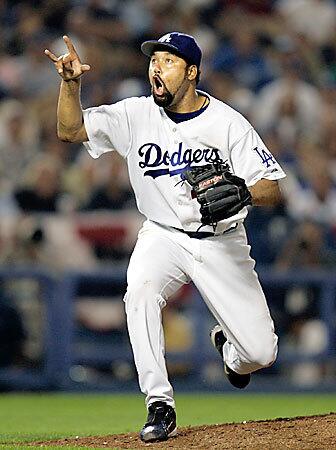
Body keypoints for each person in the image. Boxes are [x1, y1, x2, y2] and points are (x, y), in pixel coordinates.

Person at [45, 32, 286, 443]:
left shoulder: (226, 122)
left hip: (221, 241)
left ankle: (228, 349)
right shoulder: (136, 114)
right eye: (154, 59)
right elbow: (70, 130)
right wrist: (70, 85)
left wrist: (244, 191)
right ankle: (160, 404)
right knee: (139, 292)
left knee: (260, 354)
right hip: (162, 234)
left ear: (192, 72)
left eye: (168, 61)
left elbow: (273, 187)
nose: (156, 66)